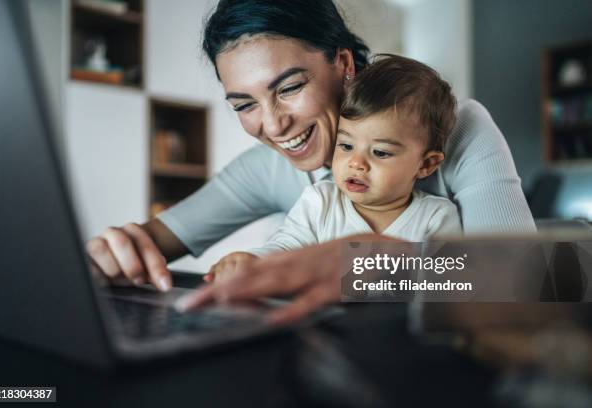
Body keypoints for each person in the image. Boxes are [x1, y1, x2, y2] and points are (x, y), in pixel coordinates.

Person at [86, 0, 536, 323]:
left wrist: (382, 265)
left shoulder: (460, 127)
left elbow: (545, 276)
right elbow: (146, 245)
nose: (274, 125)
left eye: (288, 87)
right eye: (244, 105)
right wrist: (107, 254)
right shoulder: (268, 168)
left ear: (342, 64)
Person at [206, 55, 461, 282]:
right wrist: (254, 262)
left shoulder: (436, 217)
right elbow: (286, 247)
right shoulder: (320, 201)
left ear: (426, 165)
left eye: (380, 152)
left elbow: (446, 283)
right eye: (346, 145)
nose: (356, 163)